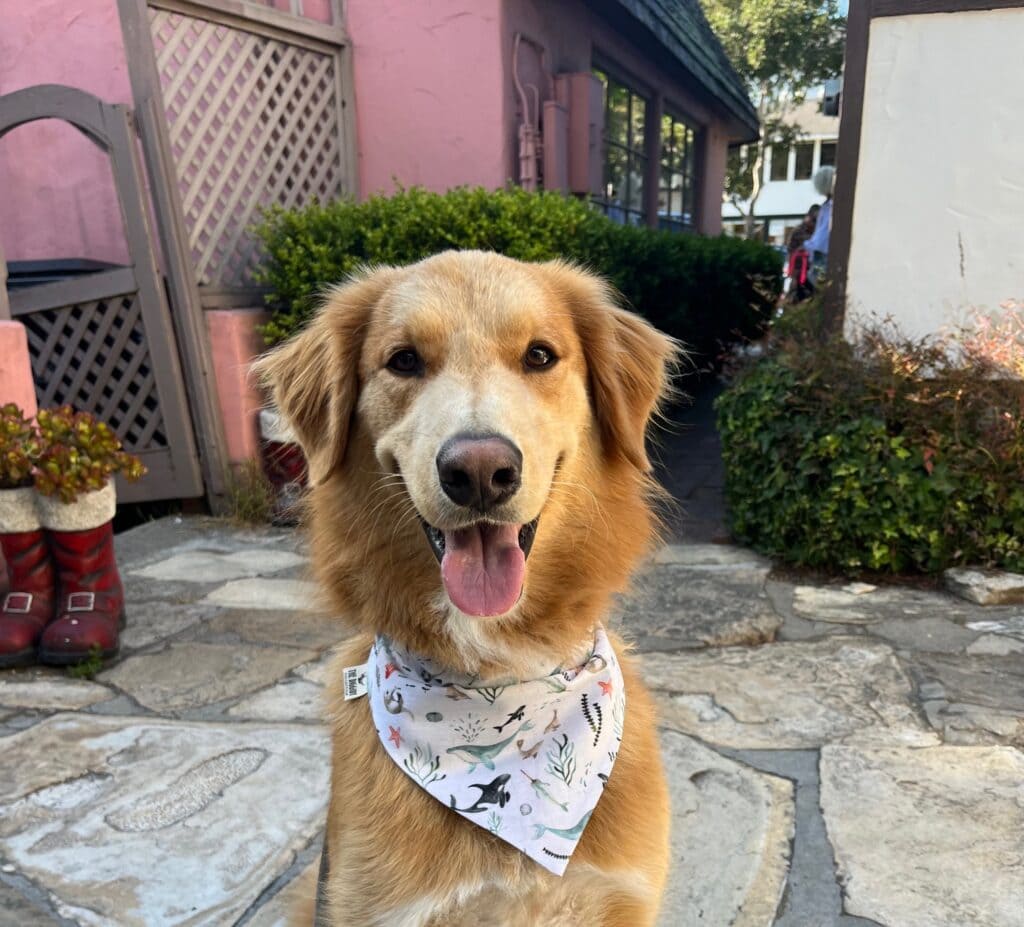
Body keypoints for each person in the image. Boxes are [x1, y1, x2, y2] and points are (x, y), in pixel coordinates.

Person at [805, 165, 835, 284]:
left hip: (822, 253)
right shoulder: (828, 205)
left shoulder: (829, 207)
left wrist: (808, 245)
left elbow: (822, 235)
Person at [785, 204, 819, 303]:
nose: (814, 223)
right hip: (799, 273)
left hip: (814, 273)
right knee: (795, 300)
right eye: (813, 220)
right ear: (808, 217)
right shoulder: (797, 231)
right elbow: (790, 251)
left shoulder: (818, 232)